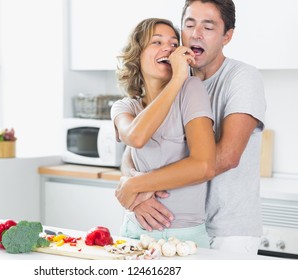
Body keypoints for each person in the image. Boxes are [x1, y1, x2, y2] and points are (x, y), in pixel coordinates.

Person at [118, 0, 266, 255]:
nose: (196, 33)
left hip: (227, 229)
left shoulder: (242, 78)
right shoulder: (175, 83)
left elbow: (226, 157)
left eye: (208, 27)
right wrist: (130, 184)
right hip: (173, 224)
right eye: (189, 24)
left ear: (227, 36)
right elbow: (133, 153)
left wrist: (141, 188)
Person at [111, 17, 216, 248]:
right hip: (135, 233)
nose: (168, 48)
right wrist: (135, 197)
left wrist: (134, 186)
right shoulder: (125, 107)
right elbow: (136, 139)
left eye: (173, 43)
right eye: (156, 42)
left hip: (186, 238)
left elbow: (204, 166)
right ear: (137, 55)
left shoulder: (190, 90)